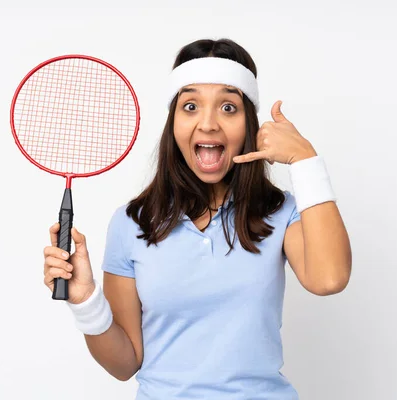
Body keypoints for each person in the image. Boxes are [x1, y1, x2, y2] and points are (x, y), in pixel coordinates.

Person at [43, 38, 352, 399]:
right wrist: (84, 300)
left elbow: (329, 279)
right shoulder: (132, 223)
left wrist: (305, 161)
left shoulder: (281, 212)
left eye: (228, 107)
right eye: (190, 106)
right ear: (173, 123)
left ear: (250, 125)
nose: (208, 124)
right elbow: (124, 364)